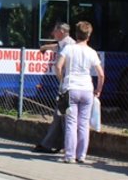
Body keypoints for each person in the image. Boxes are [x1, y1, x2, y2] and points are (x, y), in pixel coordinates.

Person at [54, 21, 105, 164]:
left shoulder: (69, 49)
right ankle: (81, 155)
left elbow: (58, 66)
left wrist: (63, 80)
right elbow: (101, 75)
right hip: (87, 90)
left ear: (76, 34)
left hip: (71, 88)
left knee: (71, 123)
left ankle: (69, 156)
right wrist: (98, 90)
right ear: (89, 35)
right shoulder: (92, 52)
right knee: (83, 124)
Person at [33, 23, 75, 153]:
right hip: (69, 85)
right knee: (60, 116)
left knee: (62, 116)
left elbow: (58, 66)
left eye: (55, 31)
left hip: (68, 85)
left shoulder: (70, 45)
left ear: (62, 31)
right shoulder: (64, 43)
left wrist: (62, 81)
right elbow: (57, 47)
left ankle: (53, 145)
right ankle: (53, 144)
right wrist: (45, 47)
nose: (52, 33)